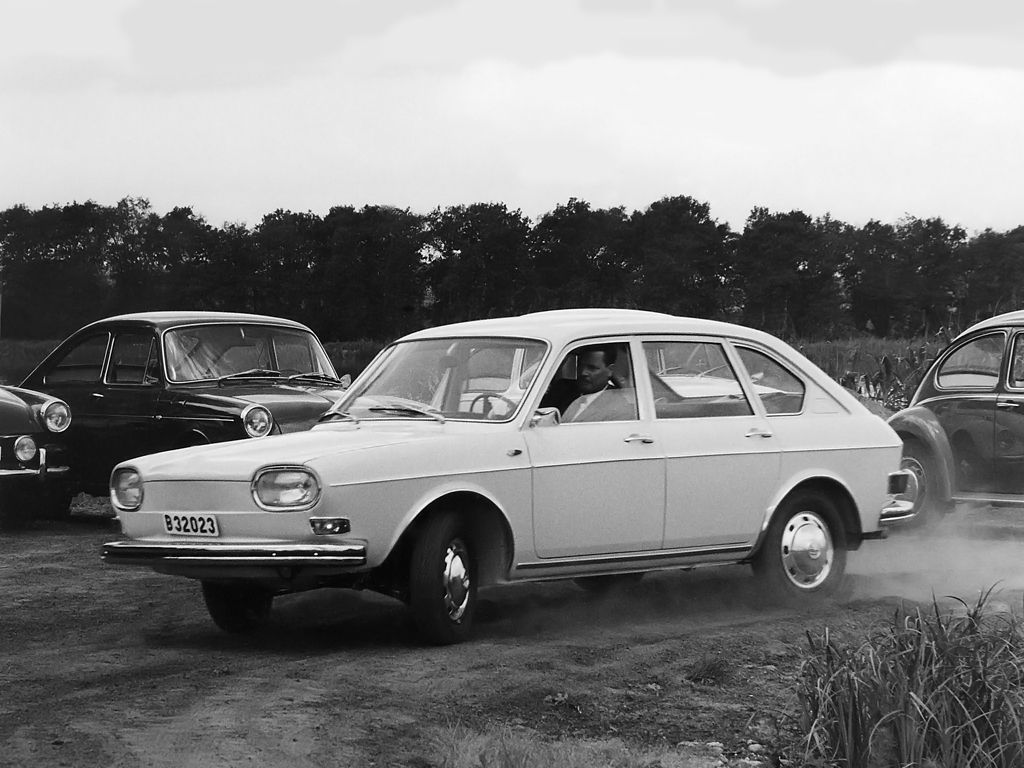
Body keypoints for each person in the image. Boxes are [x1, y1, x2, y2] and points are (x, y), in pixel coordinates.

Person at [561, 345, 635, 422]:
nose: (583, 372)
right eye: (580, 366)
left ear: (610, 370)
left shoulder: (619, 407)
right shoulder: (563, 391)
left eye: (592, 368)